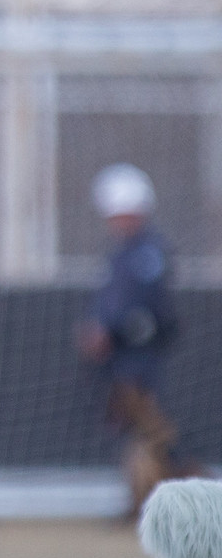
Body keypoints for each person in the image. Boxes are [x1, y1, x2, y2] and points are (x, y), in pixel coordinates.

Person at [77, 164, 204, 514]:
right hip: (121, 361)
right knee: (140, 432)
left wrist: (110, 330)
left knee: (154, 433)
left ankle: (184, 498)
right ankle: (143, 501)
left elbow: (148, 310)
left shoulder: (148, 253)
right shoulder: (122, 253)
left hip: (140, 361)